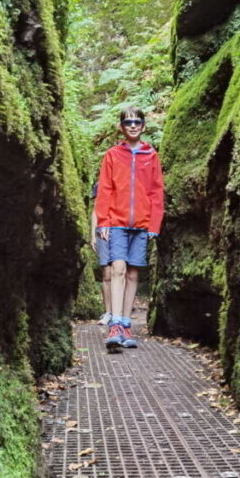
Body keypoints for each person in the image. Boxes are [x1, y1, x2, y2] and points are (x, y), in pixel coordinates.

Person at [95, 107, 164, 351]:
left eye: (137, 122)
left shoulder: (151, 155)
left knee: (134, 273)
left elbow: (156, 191)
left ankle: (125, 324)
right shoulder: (113, 155)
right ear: (122, 127)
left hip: (142, 224)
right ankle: (114, 323)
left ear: (143, 126)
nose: (133, 126)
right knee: (118, 268)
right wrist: (103, 221)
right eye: (128, 122)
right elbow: (105, 189)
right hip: (116, 222)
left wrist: (154, 224)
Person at [90, 182, 112, 325]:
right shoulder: (100, 184)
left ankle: (118, 313)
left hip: (119, 230)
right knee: (106, 273)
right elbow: (95, 210)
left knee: (120, 271)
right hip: (102, 233)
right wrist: (92, 235)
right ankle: (108, 312)